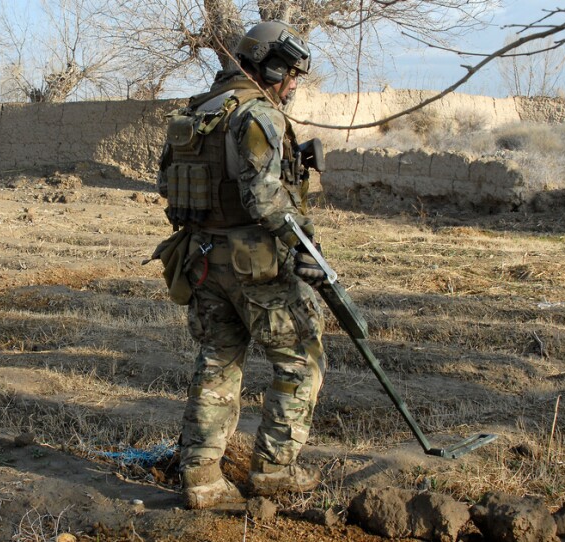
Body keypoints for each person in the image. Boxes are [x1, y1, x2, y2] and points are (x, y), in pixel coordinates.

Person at [153, 21, 327, 510]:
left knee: (217, 364)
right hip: (259, 267)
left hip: (204, 260)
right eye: (289, 74)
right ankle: (274, 471)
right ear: (269, 66)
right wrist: (305, 251)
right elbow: (265, 201)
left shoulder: (198, 111)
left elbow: (169, 188)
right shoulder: (257, 116)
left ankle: (202, 480)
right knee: (300, 361)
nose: (292, 85)